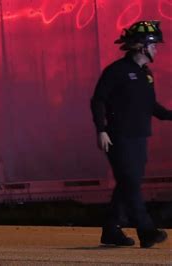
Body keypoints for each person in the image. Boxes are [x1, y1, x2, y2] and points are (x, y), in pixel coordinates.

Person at [90, 20, 171, 248]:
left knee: (127, 183)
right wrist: (101, 130)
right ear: (141, 47)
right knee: (132, 184)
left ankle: (111, 230)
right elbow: (98, 101)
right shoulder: (116, 71)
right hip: (119, 137)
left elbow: (152, 106)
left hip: (139, 138)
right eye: (154, 45)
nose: (156, 49)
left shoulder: (146, 74)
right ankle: (146, 231)